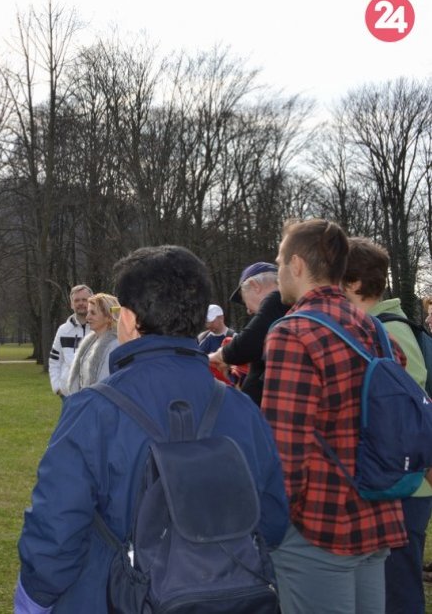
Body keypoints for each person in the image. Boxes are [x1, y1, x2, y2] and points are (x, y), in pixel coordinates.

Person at [15, 245, 288, 613]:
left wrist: (33, 600)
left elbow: (55, 529)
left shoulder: (92, 410)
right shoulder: (242, 409)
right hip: (225, 596)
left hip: (112, 598)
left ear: (126, 318)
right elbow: (270, 522)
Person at [263, 219, 406, 614]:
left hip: (319, 527)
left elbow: (285, 449)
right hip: (376, 512)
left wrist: (273, 523)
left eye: (278, 261)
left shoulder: (294, 332)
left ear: (296, 265)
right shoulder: (375, 330)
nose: (277, 272)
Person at [340, 236, 430, 614]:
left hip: (404, 485)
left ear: (356, 286)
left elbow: (407, 408)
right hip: (404, 483)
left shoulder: (385, 330)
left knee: (398, 591)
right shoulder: (386, 326)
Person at [208, 262, 289, 405]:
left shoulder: (277, 299)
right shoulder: (281, 315)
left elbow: (245, 346)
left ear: (254, 285)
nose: (248, 311)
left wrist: (217, 356)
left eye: (245, 300)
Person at [64, 292, 120, 394]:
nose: (87, 317)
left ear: (108, 317)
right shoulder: (90, 342)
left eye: (93, 313)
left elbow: (106, 384)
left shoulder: (115, 345)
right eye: (88, 312)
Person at [48, 285, 92, 397]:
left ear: (91, 302)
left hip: (94, 394)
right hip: (68, 395)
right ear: (72, 304)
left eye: (84, 300)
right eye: (77, 300)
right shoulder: (63, 330)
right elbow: (54, 361)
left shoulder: (98, 328)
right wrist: (57, 388)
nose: (81, 303)